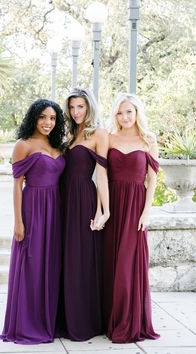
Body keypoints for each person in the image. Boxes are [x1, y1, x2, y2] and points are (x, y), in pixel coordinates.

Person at [0, 98, 65, 344]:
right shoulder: (23, 145)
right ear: (34, 118)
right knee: (31, 265)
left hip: (55, 211)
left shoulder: (58, 144)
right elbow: (17, 185)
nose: (48, 123)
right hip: (33, 208)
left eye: (53, 118)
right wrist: (18, 222)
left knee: (51, 266)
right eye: (43, 117)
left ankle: (48, 320)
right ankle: (27, 324)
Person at [103, 93, 160, 343]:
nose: (124, 117)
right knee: (111, 263)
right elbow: (101, 175)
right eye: (120, 112)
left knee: (128, 265)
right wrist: (101, 209)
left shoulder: (149, 140)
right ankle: (110, 319)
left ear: (137, 113)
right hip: (113, 204)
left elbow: (153, 179)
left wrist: (146, 212)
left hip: (136, 206)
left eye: (129, 112)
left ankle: (129, 322)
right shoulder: (110, 138)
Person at [57, 88, 110, 341]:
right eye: (72, 107)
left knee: (80, 257)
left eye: (81, 107)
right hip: (62, 199)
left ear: (89, 107)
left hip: (83, 200)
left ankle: (84, 319)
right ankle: (64, 317)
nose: (76, 112)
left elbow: (101, 174)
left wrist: (103, 211)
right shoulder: (69, 134)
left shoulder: (98, 133)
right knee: (65, 256)